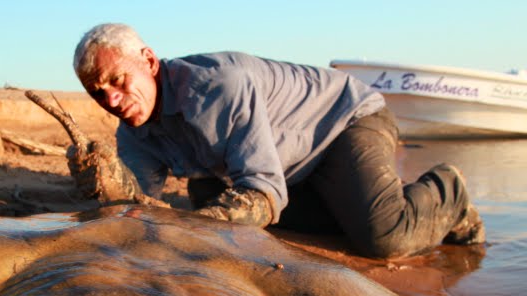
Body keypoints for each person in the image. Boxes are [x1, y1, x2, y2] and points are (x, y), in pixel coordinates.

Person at [68, 23, 484, 259]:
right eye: (98, 92)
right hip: (286, 158)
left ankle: (448, 191)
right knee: (206, 195)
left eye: (118, 81)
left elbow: (263, 195)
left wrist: (202, 226)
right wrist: (108, 185)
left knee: (384, 238)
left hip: (344, 121)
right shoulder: (133, 129)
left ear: (150, 62)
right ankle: (348, 200)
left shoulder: (216, 87)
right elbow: (137, 209)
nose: (112, 100)